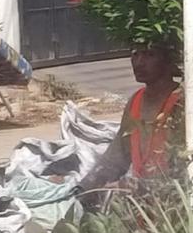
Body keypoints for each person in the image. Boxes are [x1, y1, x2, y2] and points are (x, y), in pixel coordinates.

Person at [77, 44, 184, 192]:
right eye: (135, 54)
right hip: (143, 203)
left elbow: (184, 172)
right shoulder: (136, 101)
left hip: (177, 203)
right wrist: (85, 188)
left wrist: (139, 186)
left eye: (149, 55)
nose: (139, 62)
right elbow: (116, 156)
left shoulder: (183, 104)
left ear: (169, 61)